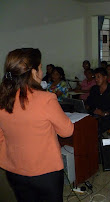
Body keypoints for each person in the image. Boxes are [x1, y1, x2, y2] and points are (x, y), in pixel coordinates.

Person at [0, 48, 74, 201]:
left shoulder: (3, 98)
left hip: (13, 170)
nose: (41, 72)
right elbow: (67, 131)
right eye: (40, 68)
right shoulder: (46, 99)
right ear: (33, 72)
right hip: (45, 172)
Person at [86, 68, 110, 135]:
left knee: (96, 128)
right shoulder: (94, 89)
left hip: (107, 117)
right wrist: (89, 108)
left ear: (105, 77)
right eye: (95, 77)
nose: (96, 79)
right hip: (94, 115)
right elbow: (89, 102)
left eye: (98, 77)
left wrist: (103, 113)